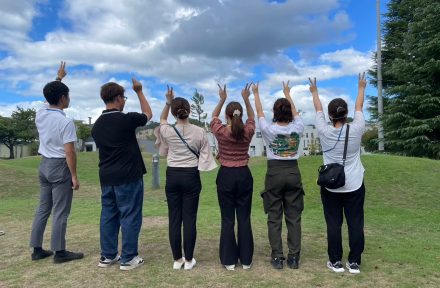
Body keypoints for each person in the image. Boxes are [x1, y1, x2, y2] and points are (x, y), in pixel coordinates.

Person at [91, 78, 153, 271]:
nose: (124, 101)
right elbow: (148, 114)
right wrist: (139, 91)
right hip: (128, 176)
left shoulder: (97, 126)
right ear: (118, 98)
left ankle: (108, 255)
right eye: (124, 97)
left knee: (108, 215)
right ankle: (128, 257)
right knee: (130, 215)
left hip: (106, 176)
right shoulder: (126, 119)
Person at [309, 73, 367, 274]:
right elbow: (359, 107)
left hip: (331, 186)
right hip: (354, 184)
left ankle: (335, 262)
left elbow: (317, 108)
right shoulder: (357, 128)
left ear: (330, 115)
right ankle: (354, 262)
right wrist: (361, 88)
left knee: (333, 224)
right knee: (355, 223)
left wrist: (314, 91)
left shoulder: (324, 131)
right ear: (346, 113)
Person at [155, 86, 217, 270]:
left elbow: (162, 119)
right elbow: (205, 154)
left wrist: (168, 101)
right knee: (189, 218)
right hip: (191, 174)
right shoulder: (199, 131)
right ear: (189, 111)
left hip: (173, 174)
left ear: (175, 113)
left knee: (174, 218)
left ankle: (177, 259)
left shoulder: (166, 130)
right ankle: (189, 259)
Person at [29, 61, 84, 263]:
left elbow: (49, 95)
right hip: (60, 166)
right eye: (67, 96)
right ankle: (59, 252)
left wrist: (59, 77)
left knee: (43, 208)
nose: (69, 99)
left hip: (44, 165)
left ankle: (36, 249)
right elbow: (70, 153)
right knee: (60, 210)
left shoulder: (40, 113)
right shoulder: (65, 121)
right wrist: (74, 176)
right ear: (63, 98)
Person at [252, 81, 305, 270]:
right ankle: (293, 257)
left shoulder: (269, 129)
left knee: (274, 217)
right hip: (293, 171)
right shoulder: (298, 126)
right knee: (294, 217)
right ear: (290, 112)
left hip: (274, 172)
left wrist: (256, 93)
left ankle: (277, 257)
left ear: (275, 112)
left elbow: (259, 113)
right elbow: (296, 113)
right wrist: (288, 93)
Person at [210, 83, 255, 271]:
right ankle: (246, 260)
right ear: (240, 115)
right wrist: (247, 98)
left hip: (226, 175)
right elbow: (252, 118)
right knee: (244, 218)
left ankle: (229, 261)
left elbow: (213, 117)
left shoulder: (221, 131)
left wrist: (221, 98)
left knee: (227, 218)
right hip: (244, 174)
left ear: (227, 116)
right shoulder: (248, 131)